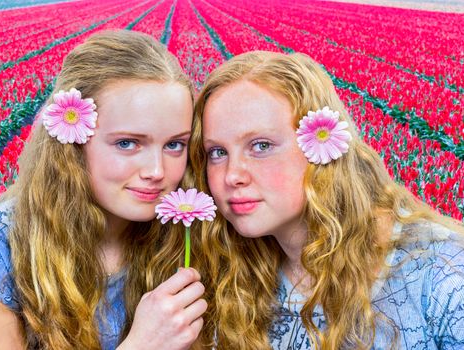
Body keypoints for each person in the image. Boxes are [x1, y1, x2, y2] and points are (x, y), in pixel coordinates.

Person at [0, 30, 209, 349]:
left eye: (175, 144)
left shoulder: (185, 233)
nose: (157, 171)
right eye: (127, 143)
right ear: (73, 142)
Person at [190, 51, 464, 349]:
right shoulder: (234, 273)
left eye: (261, 146)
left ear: (321, 145)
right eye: (217, 152)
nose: (232, 175)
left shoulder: (440, 275)